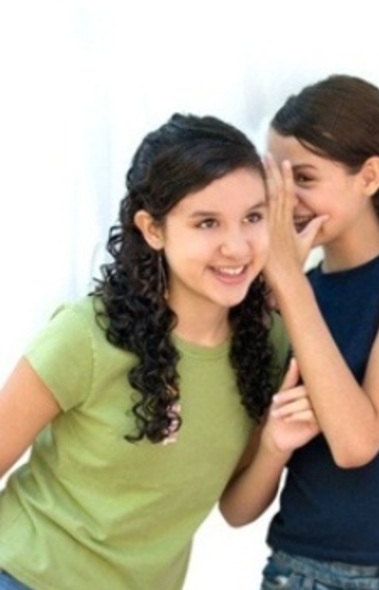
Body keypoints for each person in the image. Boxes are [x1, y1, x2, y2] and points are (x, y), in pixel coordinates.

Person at [0, 113, 317, 590]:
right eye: (207, 222)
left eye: (253, 217)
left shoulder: (267, 341)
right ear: (152, 229)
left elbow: (235, 510)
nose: (237, 246)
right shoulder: (86, 335)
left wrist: (273, 445)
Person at [242, 74, 379, 590]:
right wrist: (279, 291)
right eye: (274, 182)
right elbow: (242, 498)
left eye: (303, 178)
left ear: (368, 176)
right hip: (299, 569)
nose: (286, 202)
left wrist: (287, 283)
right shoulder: (287, 294)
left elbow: (355, 441)